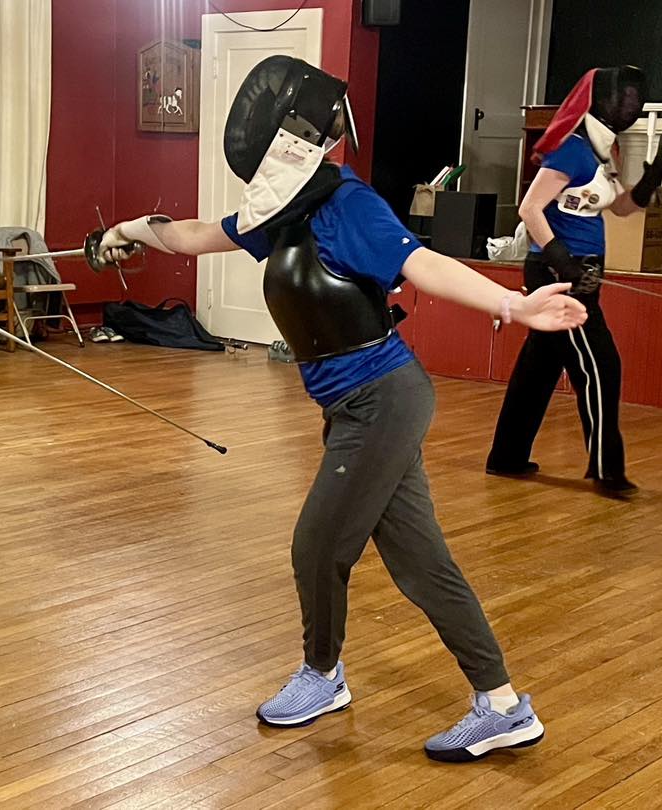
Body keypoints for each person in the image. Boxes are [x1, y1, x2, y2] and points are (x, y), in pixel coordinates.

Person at [98, 56, 587, 762]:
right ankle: (504, 706)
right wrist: (131, 229)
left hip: (383, 399)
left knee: (317, 545)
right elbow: (196, 235)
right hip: (355, 406)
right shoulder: (285, 206)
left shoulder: (348, 205)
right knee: (422, 565)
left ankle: (323, 676)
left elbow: (422, 265)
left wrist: (513, 303)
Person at [485, 66, 662, 496]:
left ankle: (507, 456)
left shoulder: (605, 153)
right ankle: (609, 471)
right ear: (601, 99)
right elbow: (530, 208)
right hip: (559, 273)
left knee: (540, 367)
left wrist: (649, 180)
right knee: (600, 367)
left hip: (583, 269)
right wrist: (563, 262)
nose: (631, 104)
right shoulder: (572, 151)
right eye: (623, 95)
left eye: (636, 96)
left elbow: (622, 209)